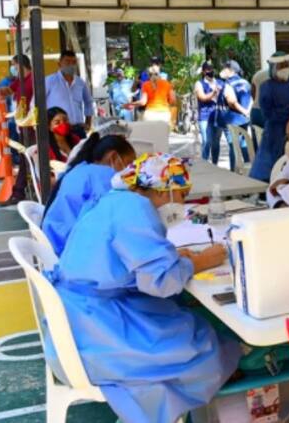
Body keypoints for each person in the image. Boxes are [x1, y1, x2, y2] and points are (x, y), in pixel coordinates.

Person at [48, 153, 240, 423]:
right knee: (201, 345)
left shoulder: (114, 200)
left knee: (185, 319)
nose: (182, 205)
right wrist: (201, 261)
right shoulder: (136, 209)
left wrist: (176, 258)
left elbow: (129, 257)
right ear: (163, 190)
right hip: (99, 334)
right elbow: (161, 282)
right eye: (181, 195)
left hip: (78, 319)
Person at [41, 133, 136, 255]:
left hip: (57, 239)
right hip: (69, 247)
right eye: (129, 164)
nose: (130, 171)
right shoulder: (104, 175)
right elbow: (117, 212)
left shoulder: (82, 168)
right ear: (113, 157)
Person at [249, 52, 289, 182]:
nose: (284, 69)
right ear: (273, 68)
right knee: (272, 166)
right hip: (275, 133)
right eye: (281, 66)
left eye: (286, 65)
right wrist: (287, 110)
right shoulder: (267, 87)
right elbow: (268, 114)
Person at [0, 54, 35, 205]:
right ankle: (20, 190)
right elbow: (8, 90)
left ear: (20, 64)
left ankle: (19, 191)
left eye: (13, 65)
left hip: (31, 126)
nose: (12, 69)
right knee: (25, 159)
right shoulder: (19, 81)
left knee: (26, 159)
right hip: (22, 125)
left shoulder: (33, 80)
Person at [45, 50, 94, 138]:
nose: (71, 65)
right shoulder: (49, 81)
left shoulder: (80, 82)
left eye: (74, 62)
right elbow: (36, 103)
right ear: (59, 63)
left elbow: (88, 102)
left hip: (78, 128)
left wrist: (88, 122)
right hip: (58, 129)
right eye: (67, 61)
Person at [218, 60, 253, 172]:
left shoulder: (228, 84)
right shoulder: (246, 82)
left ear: (230, 70)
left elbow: (232, 102)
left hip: (232, 119)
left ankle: (234, 170)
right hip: (244, 120)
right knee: (244, 143)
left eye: (224, 68)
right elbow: (253, 98)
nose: (222, 71)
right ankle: (249, 168)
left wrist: (243, 111)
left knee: (233, 146)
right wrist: (247, 111)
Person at [194, 62, 222, 164]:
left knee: (216, 142)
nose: (210, 71)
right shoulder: (199, 84)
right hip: (205, 116)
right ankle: (204, 164)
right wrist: (214, 92)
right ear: (204, 71)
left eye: (211, 69)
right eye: (208, 69)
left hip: (217, 116)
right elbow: (202, 97)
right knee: (206, 141)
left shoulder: (219, 82)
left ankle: (215, 164)